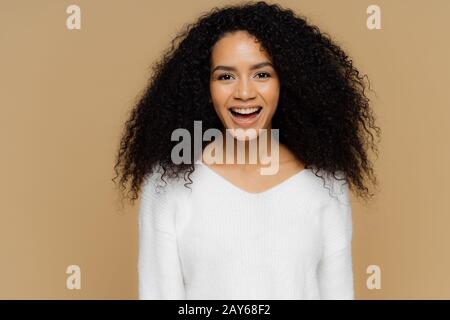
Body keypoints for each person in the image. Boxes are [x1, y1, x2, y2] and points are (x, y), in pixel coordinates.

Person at [112, 1, 380, 300]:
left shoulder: (326, 181)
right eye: (225, 76)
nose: (243, 93)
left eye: (262, 74)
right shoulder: (168, 184)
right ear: (204, 86)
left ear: (286, 82)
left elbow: (338, 294)